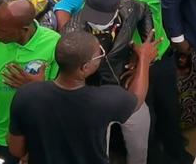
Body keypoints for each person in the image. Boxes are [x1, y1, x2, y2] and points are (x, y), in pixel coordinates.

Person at [107, 0, 194, 163]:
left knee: (170, 110)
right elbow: (109, 32)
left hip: (163, 55)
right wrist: (133, 55)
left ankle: (177, 152)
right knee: (148, 120)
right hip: (136, 66)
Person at [8, 30, 155, 164]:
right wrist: (144, 59)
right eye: (100, 54)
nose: (102, 56)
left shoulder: (26, 95)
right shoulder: (103, 101)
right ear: (84, 68)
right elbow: (137, 98)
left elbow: (16, 150)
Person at [63, 0, 155, 164]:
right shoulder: (72, 34)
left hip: (125, 86)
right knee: (97, 156)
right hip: (93, 100)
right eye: (91, 13)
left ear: (117, 7)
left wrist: (144, 50)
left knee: (139, 149)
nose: (94, 20)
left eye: (101, 17)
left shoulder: (129, 7)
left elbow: (145, 10)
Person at [0, 0, 61, 159]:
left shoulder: (54, 43)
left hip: (40, 134)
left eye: (1, 30)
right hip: (4, 134)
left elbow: (63, 95)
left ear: (24, 29)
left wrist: (36, 87)